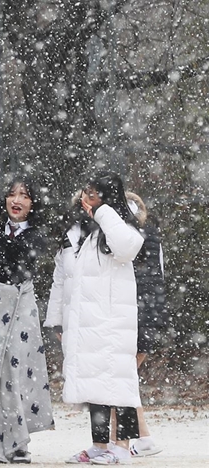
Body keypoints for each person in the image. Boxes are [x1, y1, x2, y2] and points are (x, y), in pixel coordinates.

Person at [60, 171, 144, 465]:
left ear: (108, 199)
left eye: (93, 195)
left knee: (120, 387)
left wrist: (103, 211)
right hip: (89, 326)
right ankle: (99, 445)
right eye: (85, 193)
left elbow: (127, 246)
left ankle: (121, 448)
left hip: (112, 325)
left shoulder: (120, 227)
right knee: (95, 387)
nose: (85, 200)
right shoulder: (87, 230)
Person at [0, 175, 54, 464]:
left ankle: (19, 442)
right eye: (12, 194)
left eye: (24, 196)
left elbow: (18, 265)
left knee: (17, 373)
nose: (16, 200)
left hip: (20, 309)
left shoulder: (36, 233)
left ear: (33, 204)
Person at [109, 192, 167, 458]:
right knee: (123, 380)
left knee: (117, 381)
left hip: (135, 317)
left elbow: (146, 282)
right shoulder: (147, 234)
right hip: (145, 316)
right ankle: (142, 439)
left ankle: (119, 443)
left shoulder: (132, 238)